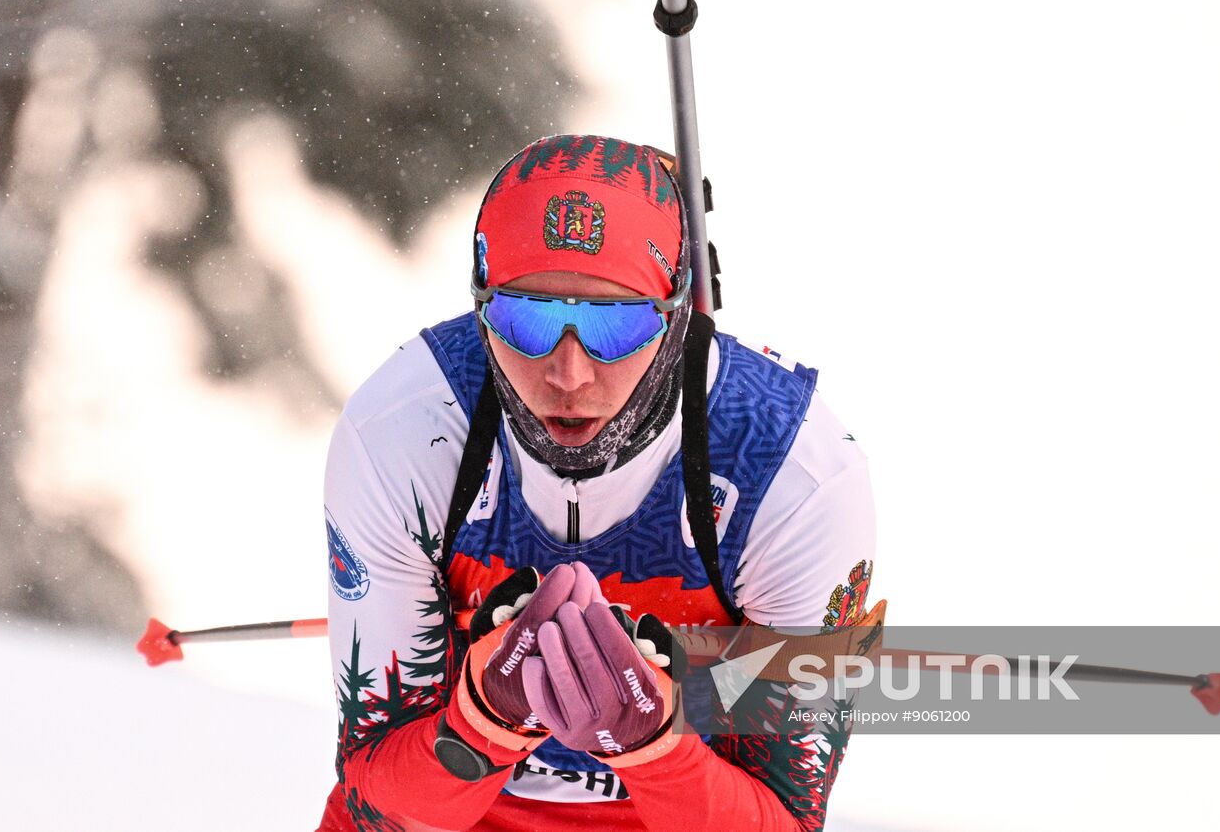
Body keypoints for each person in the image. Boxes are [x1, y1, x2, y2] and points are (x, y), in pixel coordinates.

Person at [317, 135, 877, 832]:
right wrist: (483, 722)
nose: (569, 373)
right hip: (446, 806)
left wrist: (654, 748)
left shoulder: (792, 472)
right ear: (480, 306)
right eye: (527, 319)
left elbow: (785, 820)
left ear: (677, 312)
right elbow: (376, 801)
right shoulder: (403, 430)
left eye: (617, 328)